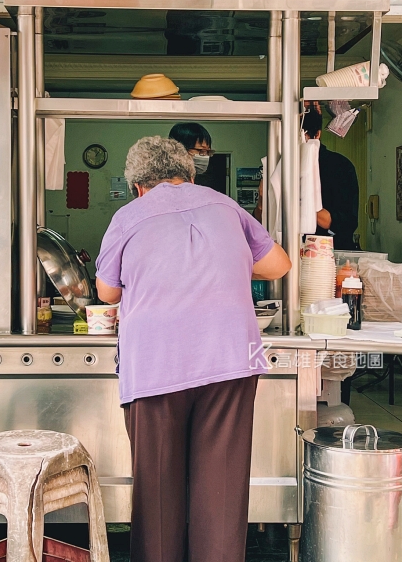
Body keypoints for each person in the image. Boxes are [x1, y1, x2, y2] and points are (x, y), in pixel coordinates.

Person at [95, 136, 291, 562]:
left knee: (159, 488)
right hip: (231, 359)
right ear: (189, 173)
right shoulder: (226, 206)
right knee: (220, 489)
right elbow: (279, 264)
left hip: (155, 364)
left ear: (138, 186)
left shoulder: (128, 216)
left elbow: (107, 292)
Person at [302, 106, 360, 251]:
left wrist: (299, 204)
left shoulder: (340, 167)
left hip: (331, 254)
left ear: (317, 135)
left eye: (302, 137)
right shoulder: (280, 166)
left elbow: (346, 222)